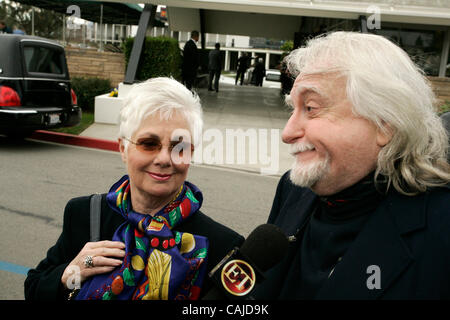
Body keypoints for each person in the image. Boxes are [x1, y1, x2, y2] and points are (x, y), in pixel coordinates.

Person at [254, 32, 450, 300]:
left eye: (310, 108)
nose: (287, 132)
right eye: (292, 109)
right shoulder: (292, 189)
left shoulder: (441, 228)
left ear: (384, 123)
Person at [24, 77, 244, 300]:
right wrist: (73, 272)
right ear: (123, 148)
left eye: (179, 146)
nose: (164, 159)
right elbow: (34, 288)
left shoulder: (223, 247)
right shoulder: (86, 214)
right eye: (149, 144)